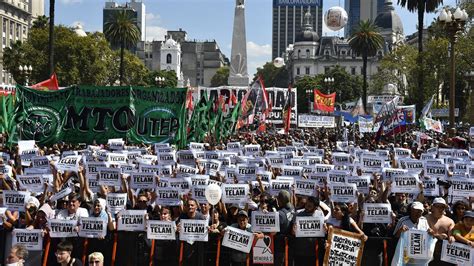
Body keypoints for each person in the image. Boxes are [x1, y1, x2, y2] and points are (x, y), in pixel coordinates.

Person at [426, 198, 455, 266]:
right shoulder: (425, 219)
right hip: (427, 252)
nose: (440, 208)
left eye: (442, 207)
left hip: (443, 255)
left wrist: (451, 238)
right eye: (437, 206)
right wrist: (438, 236)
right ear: (432, 207)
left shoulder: (449, 221)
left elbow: (451, 236)